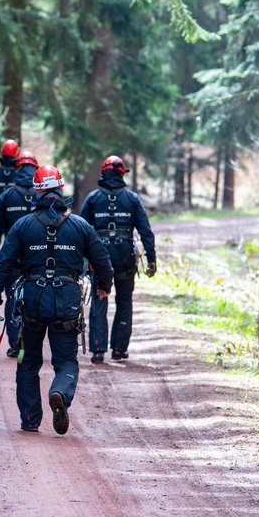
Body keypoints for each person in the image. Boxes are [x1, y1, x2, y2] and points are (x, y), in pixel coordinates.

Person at [0, 165, 113, 435]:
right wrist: (105, 286)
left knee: (27, 361)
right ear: (61, 189)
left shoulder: (23, 226)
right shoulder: (79, 225)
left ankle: (30, 419)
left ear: (37, 191)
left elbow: (3, 263)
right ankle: (60, 393)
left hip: (32, 301)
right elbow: (102, 260)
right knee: (66, 360)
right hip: (66, 302)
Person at [79, 155, 157, 363]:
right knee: (124, 302)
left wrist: (80, 261)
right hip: (125, 259)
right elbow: (145, 231)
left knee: (99, 301)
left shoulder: (93, 198)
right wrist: (151, 259)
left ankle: (98, 349)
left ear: (103, 173)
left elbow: (80, 231)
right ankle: (119, 349)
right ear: (122, 173)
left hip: (99, 259)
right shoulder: (131, 199)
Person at [0, 151, 39, 357]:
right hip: (38, 258)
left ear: (17, 169)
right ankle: (32, 342)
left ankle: (16, 343)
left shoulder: (6, 195)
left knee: (13, 297)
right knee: (36, 297)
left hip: (12, 257)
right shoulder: (44, 193)